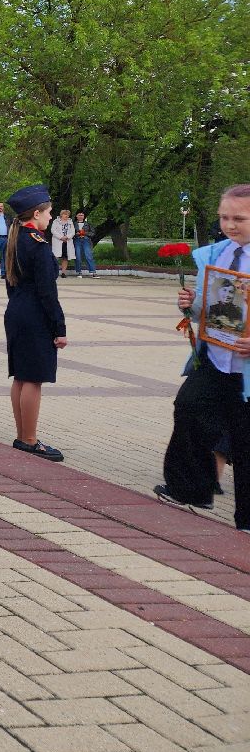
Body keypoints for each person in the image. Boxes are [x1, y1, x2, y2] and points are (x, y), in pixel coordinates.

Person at [156, 185, 250, 530]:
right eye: (224, 217)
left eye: (239, 218)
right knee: (189, 406)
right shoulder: (216, 255)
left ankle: (246, 522)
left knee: (245, 442)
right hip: (215, 358)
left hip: (246, 370)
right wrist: (190, 303)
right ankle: (192, 489)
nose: (230, 224)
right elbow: (206, 311)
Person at [2, 184, 67, 461]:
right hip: (35, 315)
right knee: (33, 378)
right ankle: (29, 439)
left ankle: (22, 435)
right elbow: (47, 292)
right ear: (37, 213)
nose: (51, 217)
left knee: (21, 376)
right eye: (49, 212)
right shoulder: (38, 245)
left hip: (16, 311)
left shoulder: (17, 240)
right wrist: (59, 328)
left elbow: (10, 284)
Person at [50, 209, 75, 278]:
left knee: (65, 257)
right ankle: (54, 271)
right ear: (61, 215)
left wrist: (67, 237)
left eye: (67, 214)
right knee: (56, 257)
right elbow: (53, 230)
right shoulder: (56, 221)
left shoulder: (70, 222)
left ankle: (63, 272)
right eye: (65, 214)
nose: (66, 216)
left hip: (67, 241)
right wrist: (61, 237)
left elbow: (73, 232)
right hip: (58, 241)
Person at [73, 212, 98, 277]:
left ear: (84, 216)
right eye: (79, 215)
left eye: (82, 215)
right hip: (77, 240)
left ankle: (93, 272)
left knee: (88, 255)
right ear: (76, 216)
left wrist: (85, 233)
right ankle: (79, 272)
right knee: (78, 256)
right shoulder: (73, 224)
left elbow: (93, 233)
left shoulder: (88, 224)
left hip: (86, 240)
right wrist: (76, 234)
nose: (81, 216)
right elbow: (70, 233)